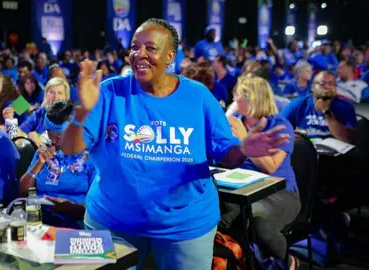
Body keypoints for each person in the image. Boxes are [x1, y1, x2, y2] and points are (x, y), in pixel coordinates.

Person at [61, 18, 289, 269]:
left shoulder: (198, 96)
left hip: (184, 230)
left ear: (170, 57)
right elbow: (70, 148)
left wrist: (243, 149)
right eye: (135, 47)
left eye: (150, 48)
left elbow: (227, 154)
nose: (140, 54)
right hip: (110, 222)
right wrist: (83, 110)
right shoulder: (108, 92)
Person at [226, 74, 300, 269]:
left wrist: (245, 139)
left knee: (254, 222)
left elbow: (271, 167)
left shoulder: (280, 125)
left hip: (279, 194)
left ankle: (287, 261)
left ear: (252, 98)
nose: (233, 100)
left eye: (238, 95)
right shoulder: (234, 123)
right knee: (214, 215)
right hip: (241, 189)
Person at [19, 100, 97, 228]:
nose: (53, 142)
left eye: (59, 138)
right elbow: (22, 192)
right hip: (40, 219)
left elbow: (97, 206)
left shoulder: (91, 157)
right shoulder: (44, 152)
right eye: (50, 136)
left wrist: (70, 207)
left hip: (76, 223)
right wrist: (39, 163)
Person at [281, 71, 357, 143]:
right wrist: (290, 135)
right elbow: (278, 128)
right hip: (306, 150)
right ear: (312, 87)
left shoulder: (345, 106)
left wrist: (326, 111)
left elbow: (347, 139)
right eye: (322, 83)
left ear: (335, 89)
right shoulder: (298, 104)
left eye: (331, 84)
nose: (327, 86)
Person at [4, 77, 71, 145]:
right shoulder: (39, 113)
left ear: (66, 98)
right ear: (46, 95)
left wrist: (36, 140)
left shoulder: (69, 120)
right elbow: (16, 137)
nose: (55, 97)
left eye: (60, 93)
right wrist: (10, 121)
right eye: (52, 92)